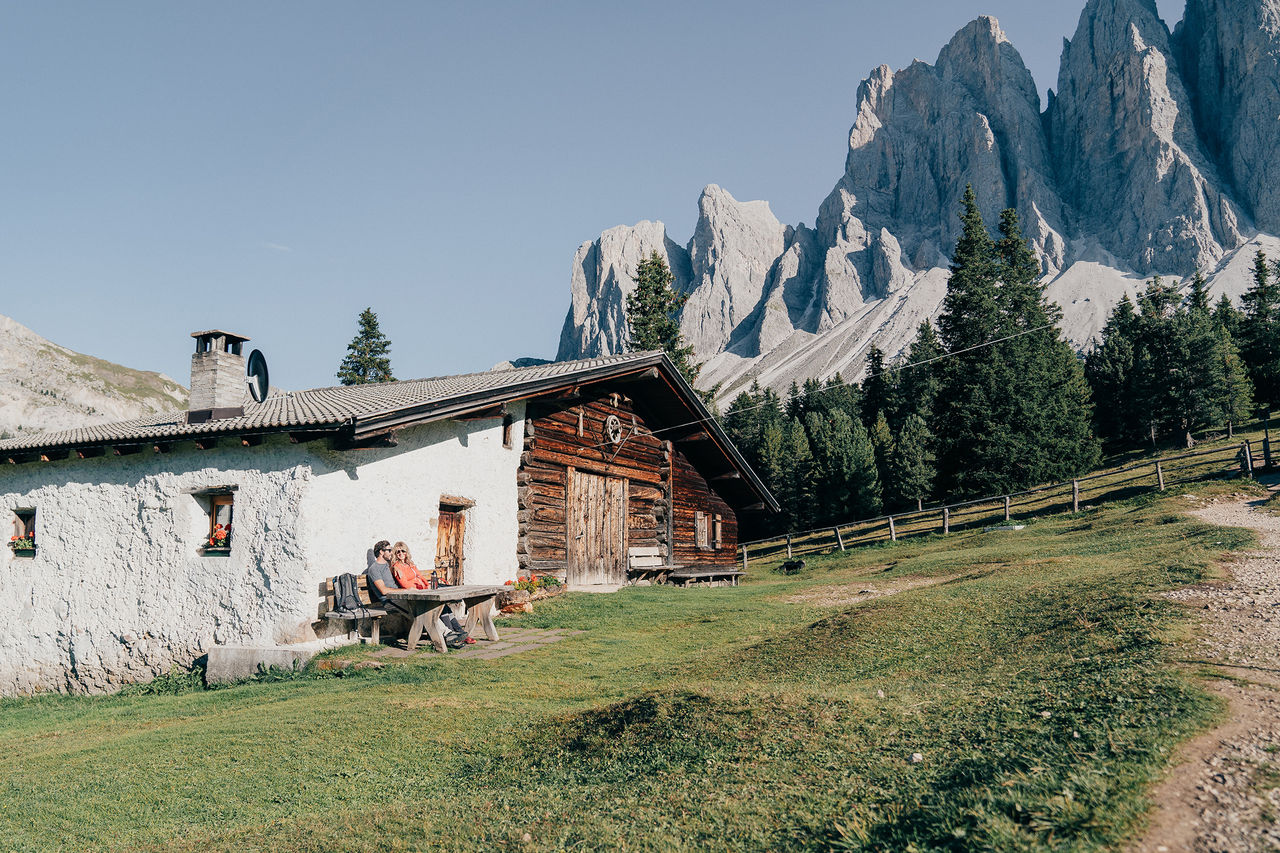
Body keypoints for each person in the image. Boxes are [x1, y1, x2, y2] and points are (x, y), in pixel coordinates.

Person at [391, 542, 474, 644]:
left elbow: (421, 577)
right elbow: (405, 584)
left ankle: (459, 632)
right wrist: (421, 588)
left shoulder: (410, 564)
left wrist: (427, 586)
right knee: (441, 608)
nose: (400, 553)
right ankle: (452, 634)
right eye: (398, 551)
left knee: (445, 607)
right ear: (395, 553)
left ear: (406, 552)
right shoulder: (397, 567)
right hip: (416, 596)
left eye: (403, 551)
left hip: (423, 591)